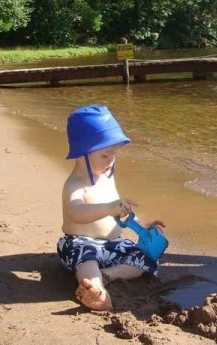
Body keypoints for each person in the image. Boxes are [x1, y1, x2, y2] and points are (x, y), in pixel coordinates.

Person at [57, 105, 165, 311]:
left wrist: (143, 223)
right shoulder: (74, 185)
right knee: (86, 259)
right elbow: (76, 212)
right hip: (81, 243)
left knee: (148, 260)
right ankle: (97, 290)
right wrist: (108, 208)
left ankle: (108, 275)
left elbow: (122, 212)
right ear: (82, 153)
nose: (111, 160)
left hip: (113, 245)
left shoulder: (107, 176)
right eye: (105, 156)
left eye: (114, 154)